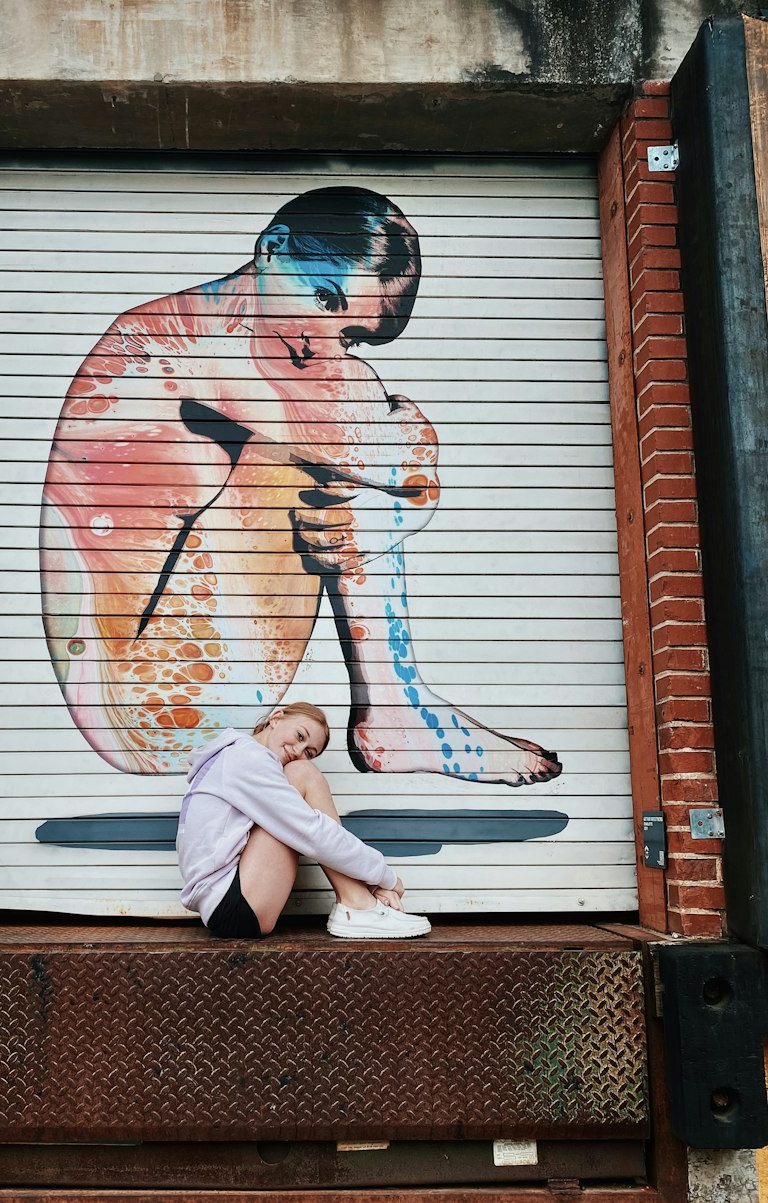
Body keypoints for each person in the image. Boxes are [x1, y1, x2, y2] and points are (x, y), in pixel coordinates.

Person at [41, 185, 561, 785]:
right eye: (323, 296)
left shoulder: (267, 358)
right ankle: (393, 711)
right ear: (271, 249)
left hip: (224, 696)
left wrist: (383, 505)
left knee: (360, 411)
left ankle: (395, 709)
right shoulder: (165, 352)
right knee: (366, 408)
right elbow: (407, 470)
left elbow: (406, 480)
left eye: (351, 333)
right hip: (146, 699)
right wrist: (388, 496)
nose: (322, 340)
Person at [177, 700, 431, 939]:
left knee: (299, 784)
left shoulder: (238, 756)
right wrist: (386, 878)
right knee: (302, 776)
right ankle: (358, 904)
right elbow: (313, 832)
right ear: (276, 718)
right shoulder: (246, 759)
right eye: (300, 736)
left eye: (309, 752)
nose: (298, 751)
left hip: (230, 901)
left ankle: (357, 902)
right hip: (234, 905)